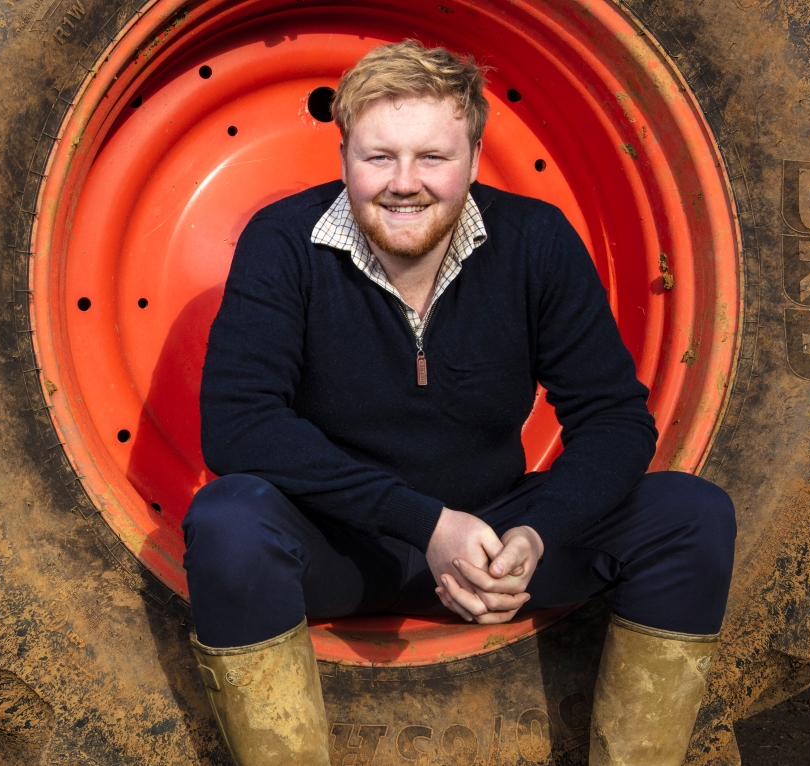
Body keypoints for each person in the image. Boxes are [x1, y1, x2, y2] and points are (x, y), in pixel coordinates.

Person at [183, 40, 736, 766]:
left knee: (691, 515)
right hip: (346, 543)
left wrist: (535, 533)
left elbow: (613, 419)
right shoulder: (282, 241)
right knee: (229, 521)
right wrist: (425, 523)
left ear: (474, 156)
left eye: (433, 158)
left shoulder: (536, 242)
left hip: (498, 537)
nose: (404, 183)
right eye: (379, 157)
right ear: (344, 152)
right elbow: (238, 426)